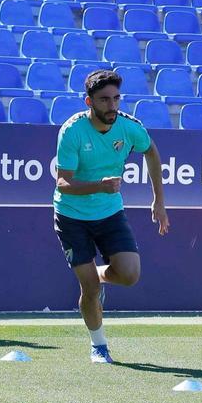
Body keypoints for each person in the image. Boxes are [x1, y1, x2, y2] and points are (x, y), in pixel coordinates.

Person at [53, 69, 170, 363]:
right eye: (104, 100)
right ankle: (99, 345)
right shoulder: (72, 131)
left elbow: (152, 152)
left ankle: (98, 278)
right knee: (88, 288)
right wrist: (99, 186)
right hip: (72, 216)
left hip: (109, 213)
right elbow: (63, 183)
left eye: (116, 98)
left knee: (130, 275)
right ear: (89, 102)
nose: (112, 106)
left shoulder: (129, 127)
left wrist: (159, 200)